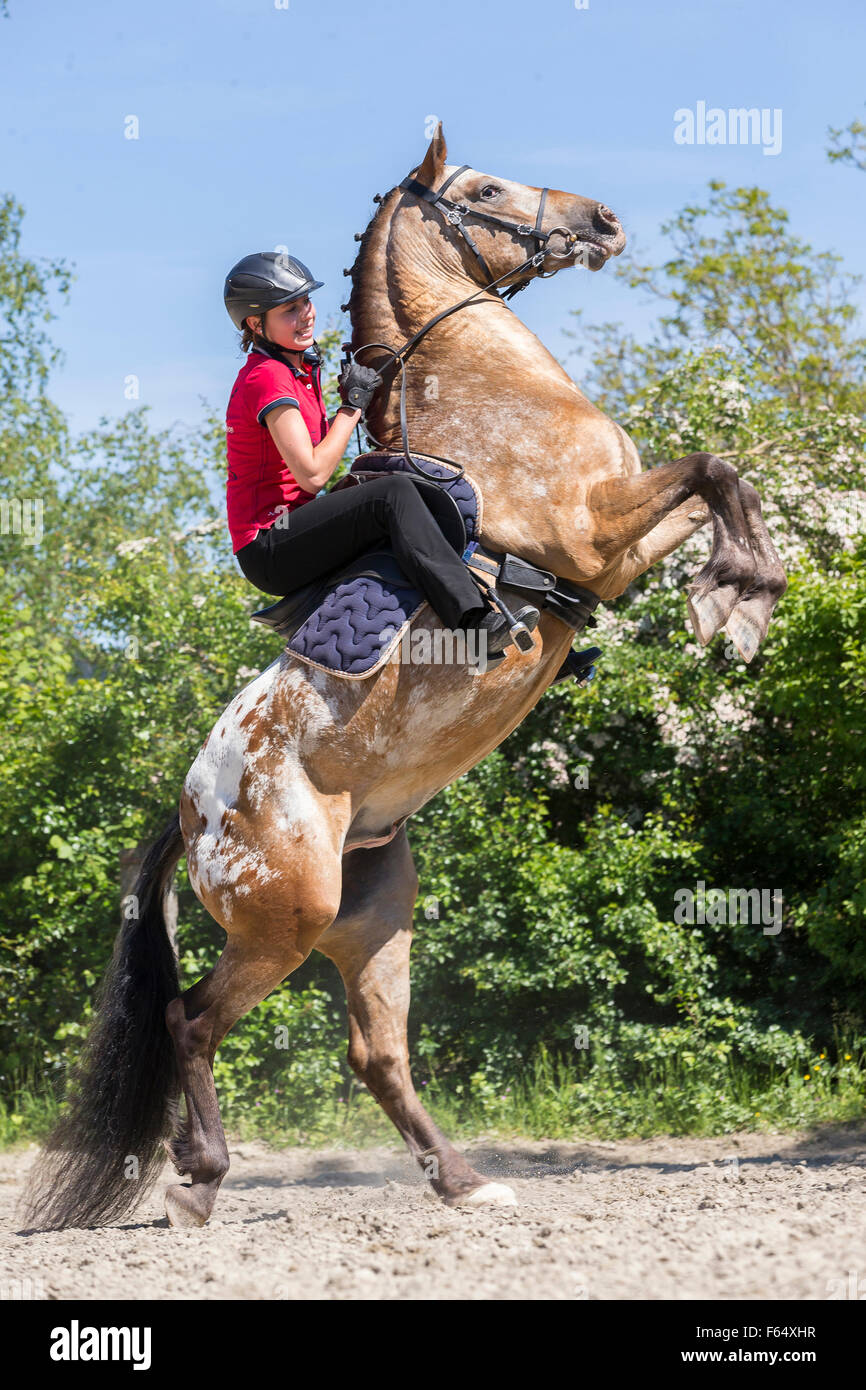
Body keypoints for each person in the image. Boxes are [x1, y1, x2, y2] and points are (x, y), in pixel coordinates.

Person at [223, 251, 538, 657]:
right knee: (393, 495)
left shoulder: (300, 368)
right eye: (289, 310)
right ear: (255, 323)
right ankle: (475, 627)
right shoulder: (267, 378)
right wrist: (351, 408)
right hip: (269, 545)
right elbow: (313, 475)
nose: (306, 315)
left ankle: (538, 621)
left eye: (306, 302)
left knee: (421, 491)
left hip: (293, 527)